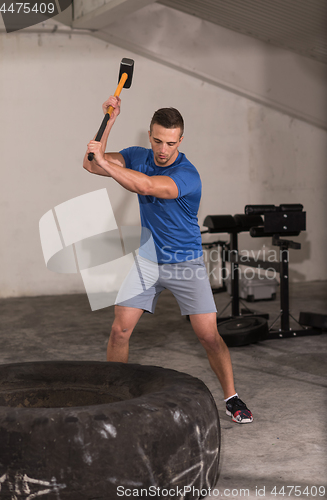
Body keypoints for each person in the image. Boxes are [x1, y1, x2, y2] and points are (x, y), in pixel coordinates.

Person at [83, 96, 253, 424]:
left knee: (208, 335)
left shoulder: (188, 175)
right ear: (150, 135)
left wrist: (105, 163)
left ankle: (231, 397)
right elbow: (92, 162)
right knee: (120, 330)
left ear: (181, 141)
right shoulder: (137, 157)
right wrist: (109, 120)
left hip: (185, 264)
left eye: (171, 143)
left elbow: (148, 186)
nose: (164, 150)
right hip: (147, 262)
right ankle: (115, 395)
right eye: (158, 141)